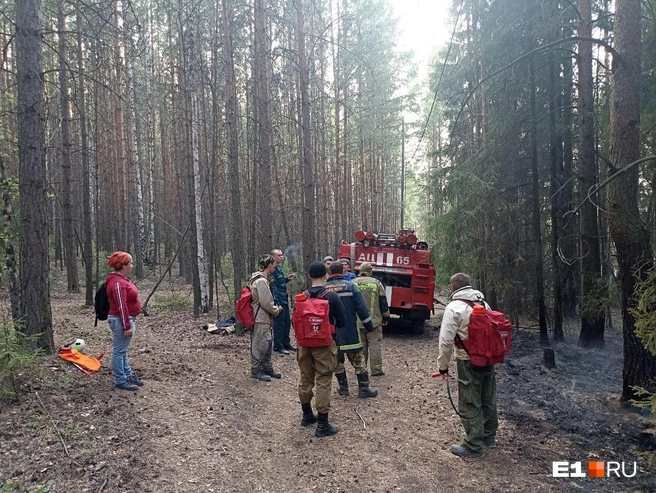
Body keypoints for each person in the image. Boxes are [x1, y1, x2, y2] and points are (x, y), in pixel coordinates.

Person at [436, 272, 498, 458]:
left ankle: (473, 445)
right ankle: (489, 436)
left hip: (467, 360)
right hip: (488, 359)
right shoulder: (484, 304)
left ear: (454, 287)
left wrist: (443, 365)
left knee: (469, 400)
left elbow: (446, 341)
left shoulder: (454, 307)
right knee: (488, 397)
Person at [296, 261, 346, 437]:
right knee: (323, 379)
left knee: (305, 378)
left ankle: (307, 415)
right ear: (325, 275)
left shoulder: (302, 297)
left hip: (304, 344)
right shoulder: (331, 297)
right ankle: (323, 425)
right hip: (324, 344)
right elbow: (342, 321)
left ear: (309, 276)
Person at [324, 262, 378, 398]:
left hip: (332, 334)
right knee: (358, 360)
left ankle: (343, 388)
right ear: (342, 271)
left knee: (337, 362)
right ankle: (364, 389)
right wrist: (369, 326)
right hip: (350, 332)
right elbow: (361, 309)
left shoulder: (324, 289)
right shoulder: (350, 286)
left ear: (330, 273)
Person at [106, 252, 143, 391]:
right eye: (130, 264)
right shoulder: (117, 283)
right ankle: (120, 380)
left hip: (125, 319)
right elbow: (121, 305)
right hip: (121, 320)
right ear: (123, 266)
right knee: (119, 351)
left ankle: (127, 374)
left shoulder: (121, 280)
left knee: (123, 350)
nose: (132, 266)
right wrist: (127, 325)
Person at [352, 262, 390, 376]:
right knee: (374, 344)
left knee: (362, 345)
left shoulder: (352, 283)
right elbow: (383, 301)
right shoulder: (376, 283)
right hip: (374, 321)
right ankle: (376, 369)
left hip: (358, 321)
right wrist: (386, 316)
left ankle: (362, 369)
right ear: (370, 272)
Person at [249, 254, 283, 382]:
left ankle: (267, 367)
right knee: (260, 343)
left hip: (264, 317)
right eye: (274, 264)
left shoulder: (261, 278)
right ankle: (256, 370)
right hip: (260, 317)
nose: (275, 266)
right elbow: (266, 302)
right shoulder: (261, 281)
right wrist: (276, 310)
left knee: (267, 342)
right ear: (269, 265)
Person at [270, 249, 297, 355]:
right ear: (273, 257)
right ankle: (278, 346)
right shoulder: (272, 270)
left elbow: (280, 283)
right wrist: (277, 303)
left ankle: (286, 343)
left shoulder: (279, 269)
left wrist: (287, 279)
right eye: (279, 255)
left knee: (287, 323)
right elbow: (273, 287)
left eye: (282, 255)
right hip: (279, 301)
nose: (282, 257)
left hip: (284, 299)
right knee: (279, 324)